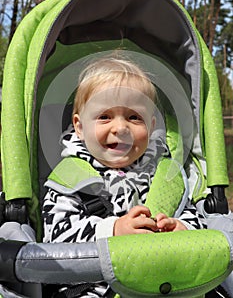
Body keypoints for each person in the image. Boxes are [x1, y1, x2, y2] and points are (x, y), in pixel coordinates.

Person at [42, 55, 206, 297]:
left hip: (162, 283)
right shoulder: (70, 178)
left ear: (151, 127)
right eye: (105, 117)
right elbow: (54, 236)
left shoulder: (163, 175)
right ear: (80, 126)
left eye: (134, 117)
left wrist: (183, 229)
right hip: (94, 286)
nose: (120, 128)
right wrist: (114, 229)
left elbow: (195, 216)